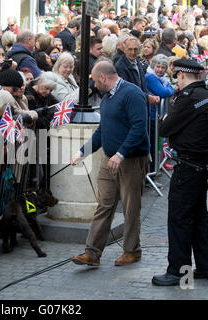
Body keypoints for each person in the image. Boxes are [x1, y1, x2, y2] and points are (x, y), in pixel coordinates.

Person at [70, 60, 149, 267]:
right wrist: (82, 152)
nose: (94, 85)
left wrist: (121, 153)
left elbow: (139, 127)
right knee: (104, 205)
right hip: (109, 158)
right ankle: (92, 253)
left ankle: (132, 251)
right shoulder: (106, 98)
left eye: (95, 81)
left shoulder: (132, 94)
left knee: (131, 208)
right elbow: (102, 131)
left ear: (104, 78)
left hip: (131, 160)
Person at [152, 58, 208, 286]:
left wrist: (166, 118)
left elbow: (165, 128)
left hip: (187, 167)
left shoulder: (188, 99)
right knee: (200, 217)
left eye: (177, 77)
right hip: (201, 166)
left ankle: (179, 272)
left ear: (182, 75)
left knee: (180, 220)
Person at [145, 54, 175, 173]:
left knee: (160, 142)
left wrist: (169, 89)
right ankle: (152, 170)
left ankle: (159, 164)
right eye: (158, 66)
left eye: (163, 67)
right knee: (154, 144)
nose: (160, 70)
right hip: (152, 115)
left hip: (159, 115)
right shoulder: (151, 77)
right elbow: (164, 92)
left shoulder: (161, 78)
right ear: (153, 66)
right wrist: (170, 88)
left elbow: (169, 90)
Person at [115, 36, 160, 106]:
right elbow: (127, 91)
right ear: (124, 50)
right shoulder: (120, 66)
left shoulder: (138, 62)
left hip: (140, 103)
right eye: (130, 49)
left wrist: (152, 96)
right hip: (131, 106)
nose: (133, 52)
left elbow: (143, 87)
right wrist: (147, 97)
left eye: (135, 49)